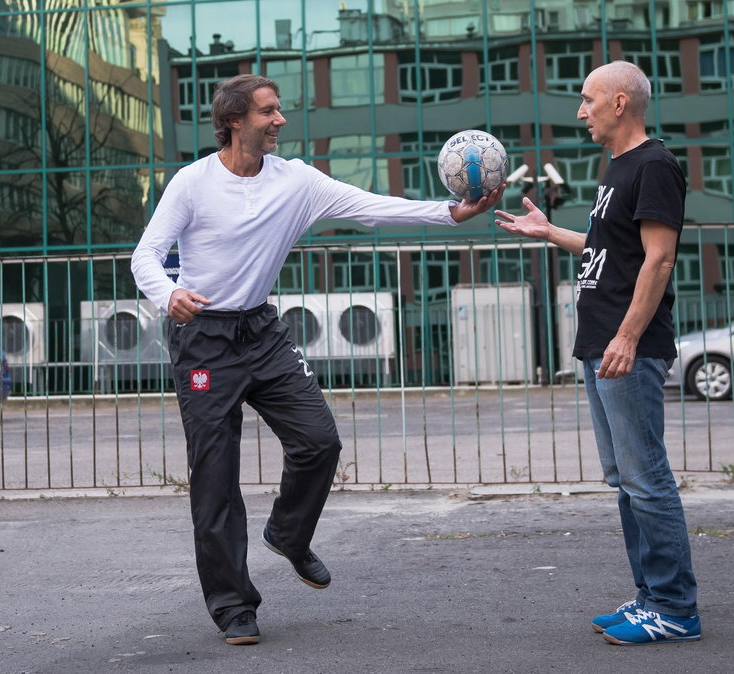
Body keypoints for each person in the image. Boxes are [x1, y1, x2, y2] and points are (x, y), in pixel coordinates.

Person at [131, 74, 502, 645]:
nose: (280, 120)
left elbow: (371, 208)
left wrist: (451, 214)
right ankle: (234, 607)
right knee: (215, 478)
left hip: (262, 331)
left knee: (319, 441)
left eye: (279, 110)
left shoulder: (297, 181)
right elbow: (146, 256)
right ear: (234, 121)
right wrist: (168, 294)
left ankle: (289, 534)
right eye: (268, 112)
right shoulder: (192, 182)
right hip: (203, 338)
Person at [495, 60, 700, 645]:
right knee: (626, 478)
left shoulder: (655, 165)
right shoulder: (619, 168)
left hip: (626, 345)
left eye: (587, 100)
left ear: (618, 103)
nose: (579, 112)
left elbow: (659, 259)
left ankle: (676, 608)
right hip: (603, 343)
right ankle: (649, 598)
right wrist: (550, 233)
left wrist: (628, 337)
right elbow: (614, 247)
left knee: (646, 476)